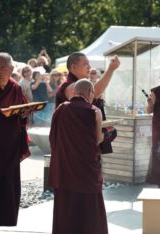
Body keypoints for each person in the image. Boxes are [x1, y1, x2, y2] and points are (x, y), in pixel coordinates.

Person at [48, 79, 106, 234]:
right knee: (89, 204)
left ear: (75, 92)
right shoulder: (95, 111)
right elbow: (98, 139)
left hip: (64, 166)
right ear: (90, 93)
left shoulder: (61, 109)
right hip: (85, 167)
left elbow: (53, 137)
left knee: (66, 203)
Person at [0, 53, 30, 227]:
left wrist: (24, 112)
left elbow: (22, 113)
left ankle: (4, 220)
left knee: (8, 184)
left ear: (11, 69)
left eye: (2, 68)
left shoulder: (15, 88)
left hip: (10, 146)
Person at [55, 52, 120, 108]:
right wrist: (111, 69)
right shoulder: (68, 85)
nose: (89, 67)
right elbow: (95, 93)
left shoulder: (76, 83)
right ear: (73, 67)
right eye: (86, 64)